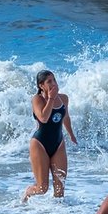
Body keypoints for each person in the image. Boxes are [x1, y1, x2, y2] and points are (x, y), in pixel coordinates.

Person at [22, 70, 76, 202]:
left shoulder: (63, 98)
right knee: (42, 188)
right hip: (40, 143)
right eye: (49, 81)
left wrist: (71, 134)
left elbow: (66, 117)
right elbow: (43, 118)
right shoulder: (37, 99)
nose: (53, 83)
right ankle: (28, 192)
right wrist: (51, 98)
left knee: (60, 188)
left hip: (58, 143)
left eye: (54, 80)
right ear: (41, 85)